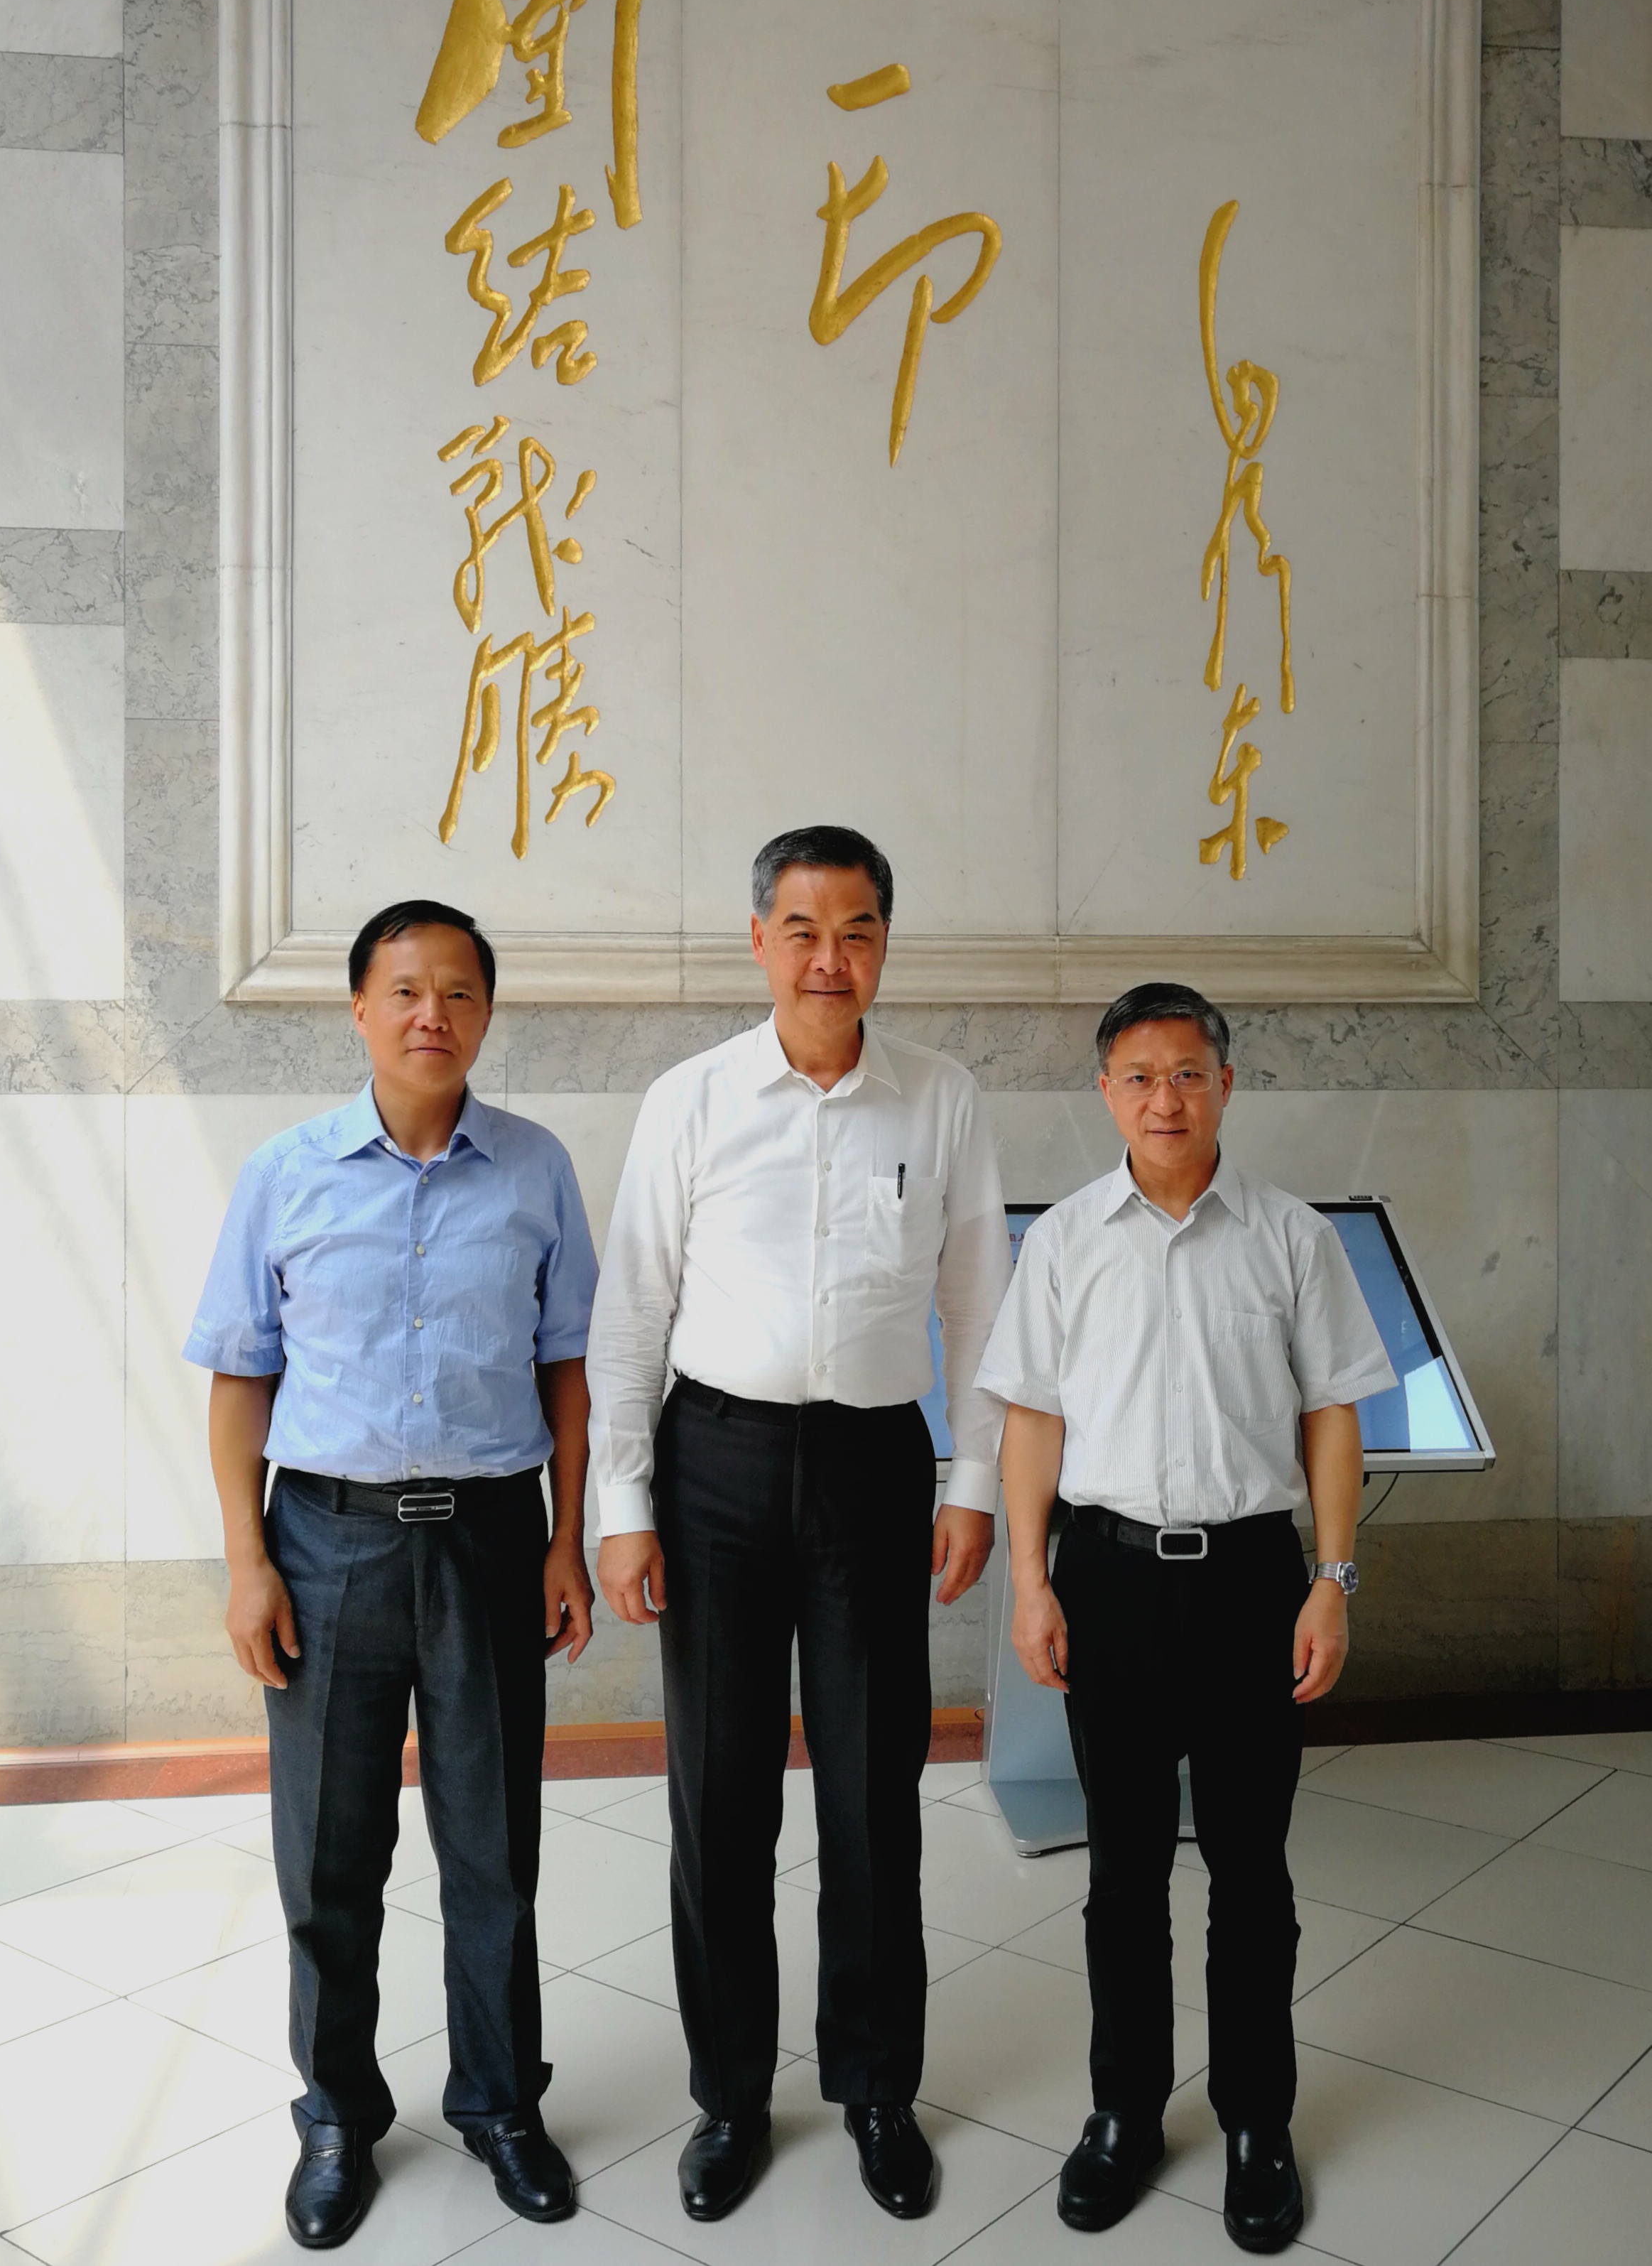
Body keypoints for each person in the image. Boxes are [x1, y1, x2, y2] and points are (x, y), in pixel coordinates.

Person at [586, 825, 1012, 2224]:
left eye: (858, 931)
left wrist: (969, 1486)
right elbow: (632, 1308)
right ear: (759, 938)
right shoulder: (693, 1098)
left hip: (874, 1467)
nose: (831, 959)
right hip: (713, 1461)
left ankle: (876, 2087)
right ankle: (727, 2097)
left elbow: (978, 1308)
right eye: (804, 929)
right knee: (718, 1797)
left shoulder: (940, 1097)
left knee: (873, 1789)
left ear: (885, 942)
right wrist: (621, 1508)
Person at [185, 899, 599, 2249]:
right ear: (360, 1008)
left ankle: (499, 2102)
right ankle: (336, 2115)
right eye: (407, 989)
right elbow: (241, 1377)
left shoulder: (534, 1169)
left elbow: (567, 1368)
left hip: (488, 1538)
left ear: (486, 1012)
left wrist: (565, 1539)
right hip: (327, 1540)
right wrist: (247, 1560)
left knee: (493, 1846)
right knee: (327, 1854)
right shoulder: (286, 1173)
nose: (434, 1013)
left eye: (460, 991)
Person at [976, 980, 1395, 2254]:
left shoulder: (1289, 1237)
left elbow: (1331, 1413)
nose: (1165, 1098)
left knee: (1252, 1870)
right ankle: (1123, 2111)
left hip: (1252, 1581)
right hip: (1106, 1577)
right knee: (1120, 1871)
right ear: (1105, 1091)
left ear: (1225, 1085)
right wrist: (1031, 1580)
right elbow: (1031, 1418)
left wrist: (1331, 1580)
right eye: (1140, 1076)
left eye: (1188, 1073)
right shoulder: (1063, 1241)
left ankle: (1257, 2119)